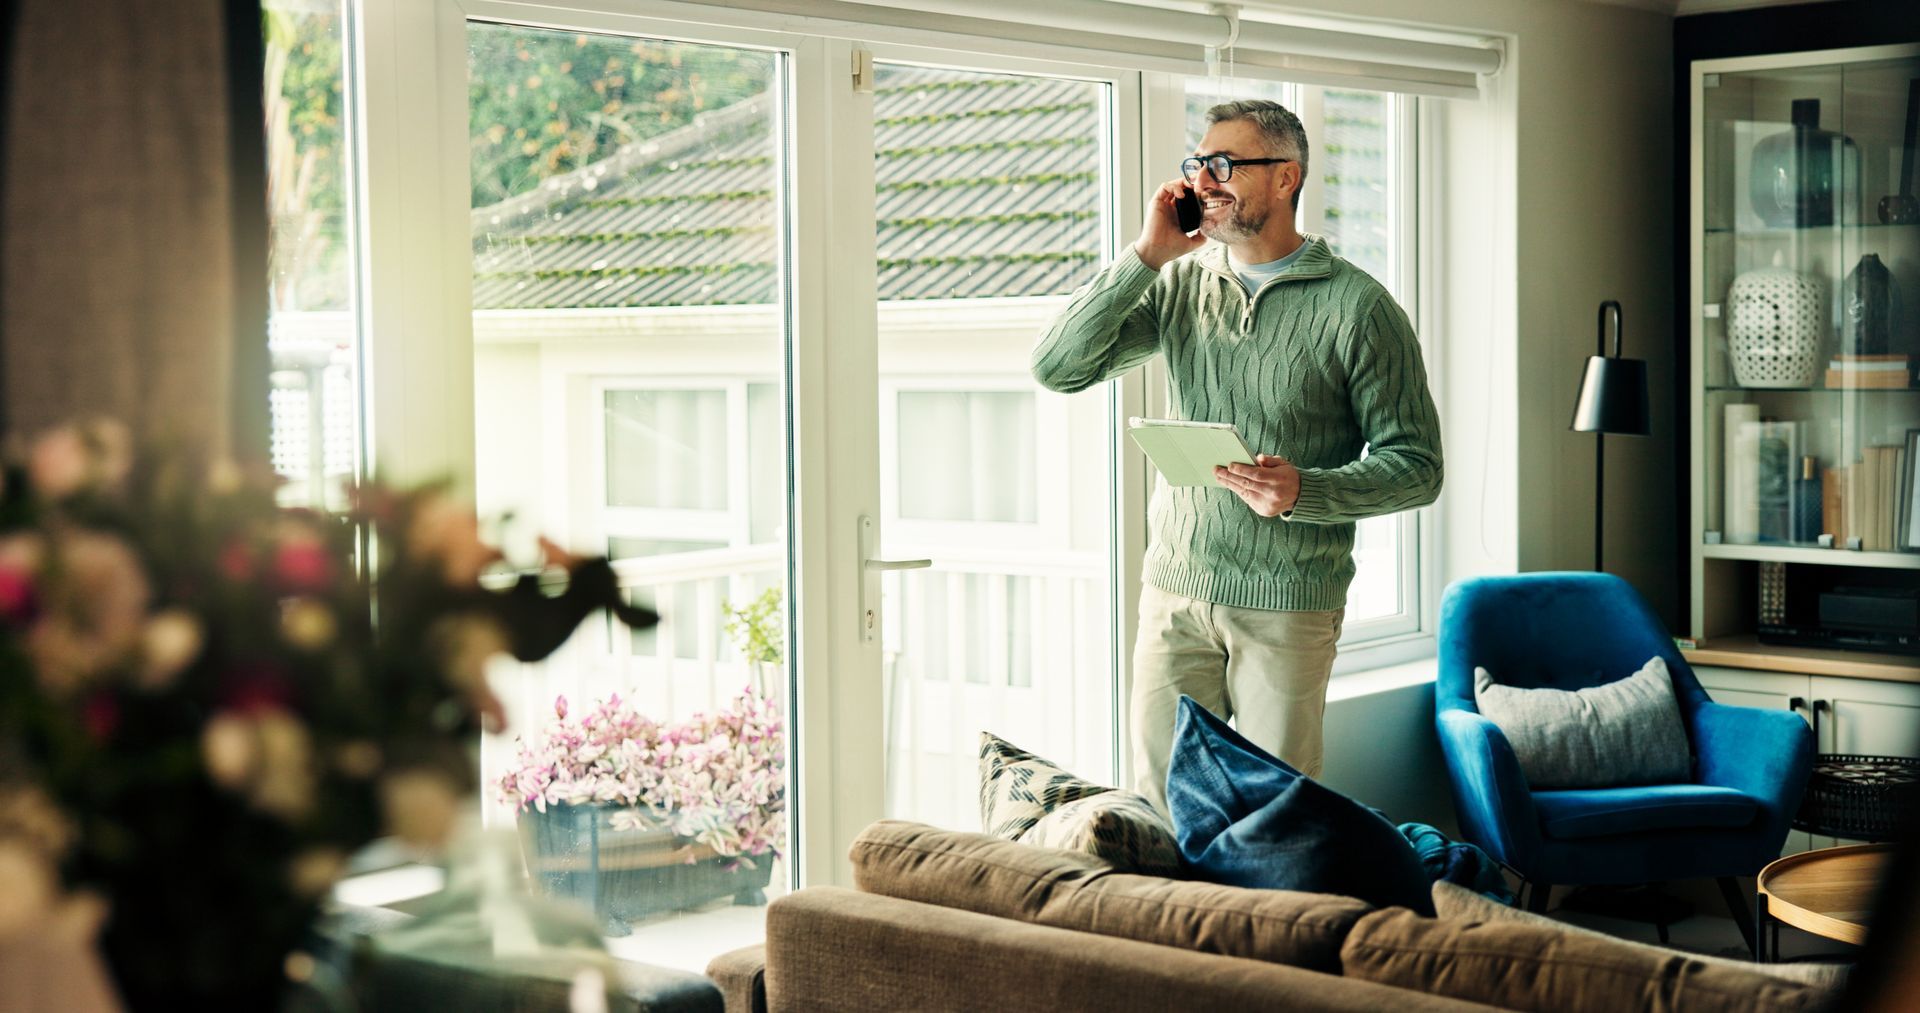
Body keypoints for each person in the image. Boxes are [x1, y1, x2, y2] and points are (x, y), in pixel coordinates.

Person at [1031, 99, 1442, 814]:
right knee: (1157, 808)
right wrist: (1148, 254)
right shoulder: (1181, 285)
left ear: (1286, 177)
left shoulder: (1360, 308)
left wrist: (1303, 491)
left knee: (1275, 818)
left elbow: (1418, 465)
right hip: (1175, 589)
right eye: (1197, 164)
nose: (1203, 180)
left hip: (1289, 601)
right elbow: (1057, 367)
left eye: (1224, 164)